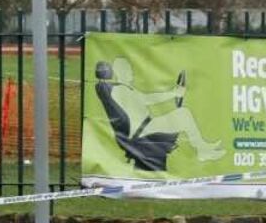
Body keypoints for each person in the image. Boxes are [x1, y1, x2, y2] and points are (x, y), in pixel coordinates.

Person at [94, 58, 224, 161]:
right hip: (142, 130)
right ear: (118, 72)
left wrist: (173, 93)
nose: (131, 72)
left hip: (145, 126)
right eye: (127, 69)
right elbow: (147, 99)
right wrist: (174, 93)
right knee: (184, 114)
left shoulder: (120, 89)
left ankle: (202, 149)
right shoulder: (119, 89)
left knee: (183, 114)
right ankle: (202, 150)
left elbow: (144, 99)